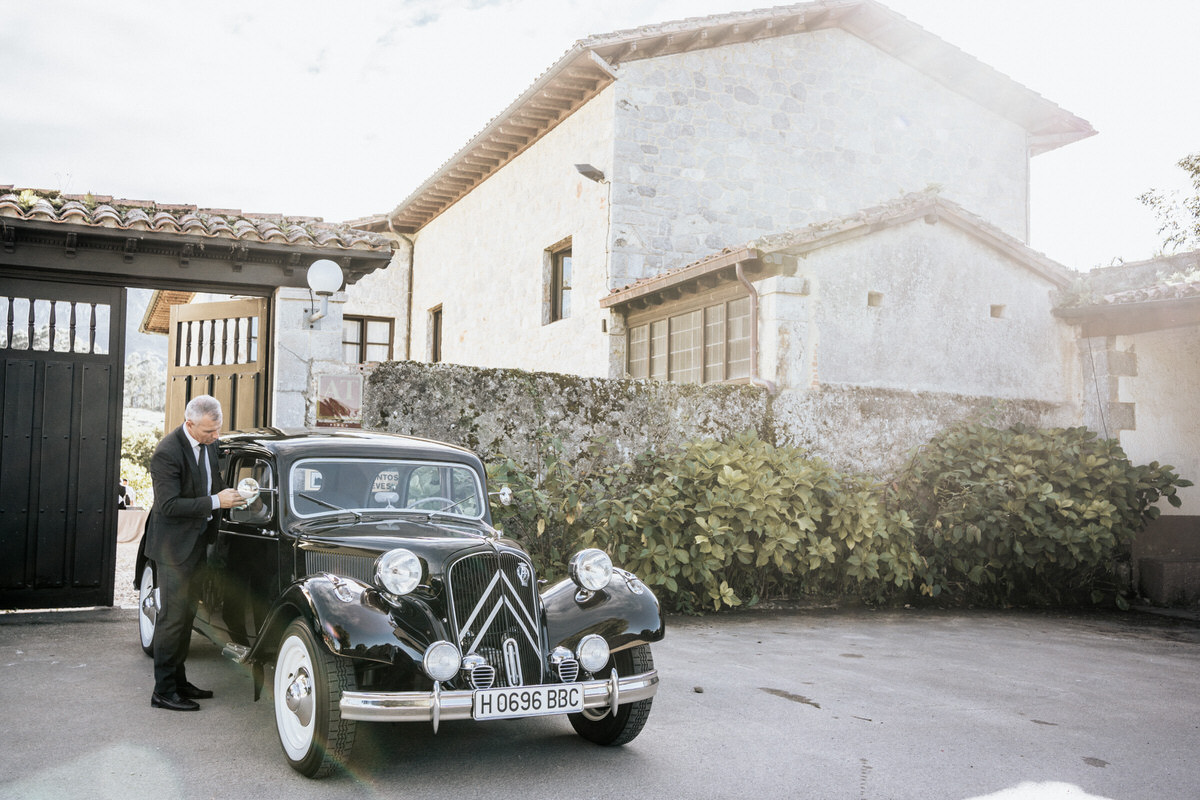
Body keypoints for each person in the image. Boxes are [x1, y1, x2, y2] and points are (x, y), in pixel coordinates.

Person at [144, 395, 242, 711]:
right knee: (172, 618)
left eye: (217, 430)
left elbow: (214, 481)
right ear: (189, 424)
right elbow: (169, 506)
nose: (215, 438)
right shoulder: (167, 453)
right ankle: (163, 691)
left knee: (187, 616)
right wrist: (217, 501)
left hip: (198, 543)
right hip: (173, 549)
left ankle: (179, 682)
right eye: (208, 432)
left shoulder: (210, 443)